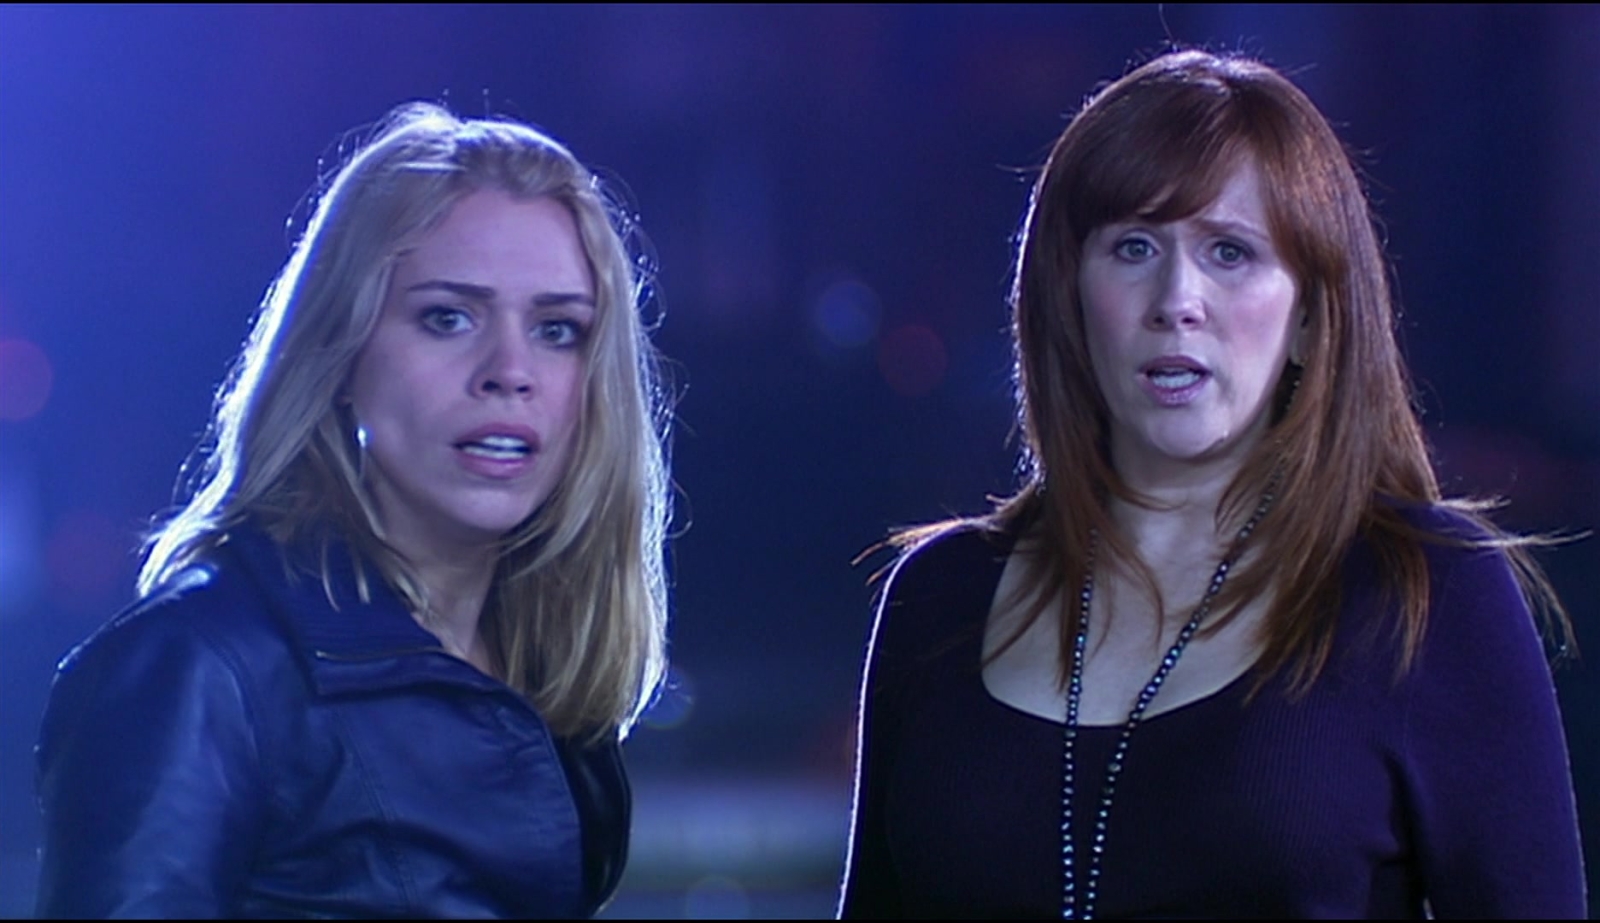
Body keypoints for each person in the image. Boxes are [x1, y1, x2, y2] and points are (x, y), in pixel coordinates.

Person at [839, 48, 1586, 919]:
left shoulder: (1424, 592)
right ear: (1068, 296)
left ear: (1309, 316)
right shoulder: (940, 597)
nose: (1177, 299)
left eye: (1230, 251)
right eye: (1134, 247)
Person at [33, 101, 672, 918]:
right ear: (340, 350)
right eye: (448, 317)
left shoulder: (547, 667)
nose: (510, 370)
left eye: (558, 329)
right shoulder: (197, 668)